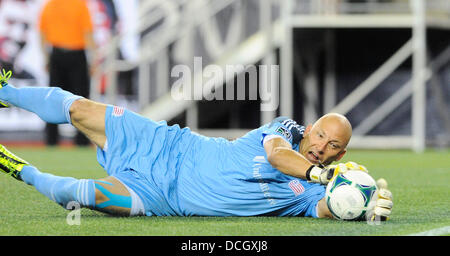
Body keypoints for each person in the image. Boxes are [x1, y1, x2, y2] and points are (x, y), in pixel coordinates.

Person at [0, 69, 393, 220]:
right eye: (320, 135)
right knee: (81, 108)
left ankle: (21, 169)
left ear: (342, 154)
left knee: (82, 195)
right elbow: (276, 156)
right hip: (163, 145)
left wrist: (360, 206)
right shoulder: (285, 131)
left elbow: (328, 208)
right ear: (308, 130)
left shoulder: (308, 196)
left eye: (332, 146)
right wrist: (319, 173)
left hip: (158, 198)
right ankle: (7, 91)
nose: (321, 146)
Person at [39, 0, 96, 147]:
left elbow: (42, 33)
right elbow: (88, 35)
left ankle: (51, 140)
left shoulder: (51, 2)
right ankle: (81, 141)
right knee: (80, 99)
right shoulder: (80, 3)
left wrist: (46, 57)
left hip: (56, 54)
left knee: (54, 100)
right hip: (76, 56)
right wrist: (93, 60)